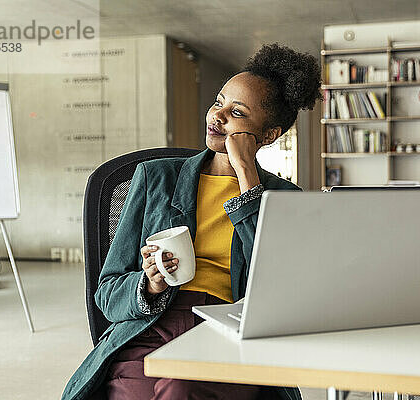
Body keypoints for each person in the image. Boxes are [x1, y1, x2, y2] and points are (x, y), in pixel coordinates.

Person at [62, 43, 321, 400]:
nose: (218, 115)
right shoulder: (155, 178)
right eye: (218, 102)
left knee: (180, 387)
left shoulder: (283, 197)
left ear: (269, 134)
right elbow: (107, 292)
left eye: (237, 112)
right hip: (152, 325)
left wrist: (246, 175)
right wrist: (149, 285)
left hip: (230, 331)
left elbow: (281, 292)